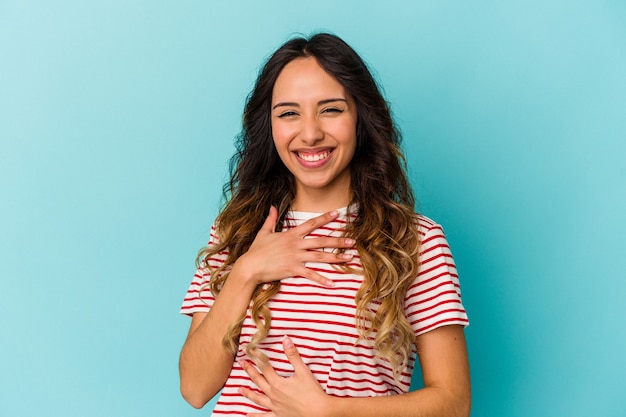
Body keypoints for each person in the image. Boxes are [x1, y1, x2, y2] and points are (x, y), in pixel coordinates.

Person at [179, 32, 470, 417]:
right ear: (269, 126)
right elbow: (196, 389)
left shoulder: (414, 240)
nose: (311, 132)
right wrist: (246, 271)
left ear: (361, 118)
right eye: (288, 113)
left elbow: (453, 403)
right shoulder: (235, 232)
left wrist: (330, 411)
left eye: (330, 109)